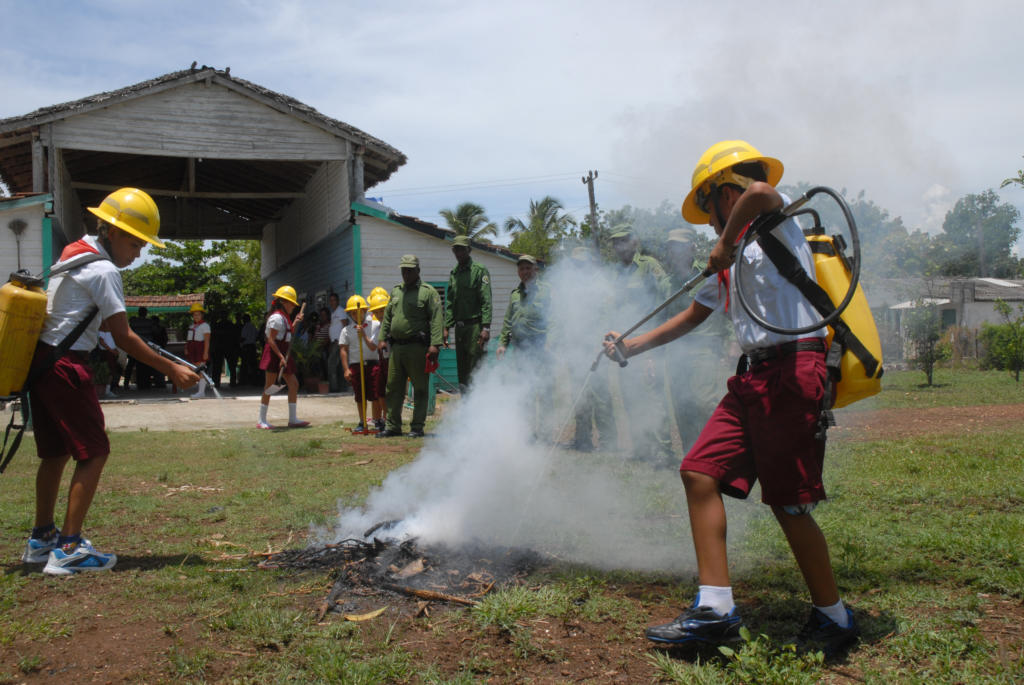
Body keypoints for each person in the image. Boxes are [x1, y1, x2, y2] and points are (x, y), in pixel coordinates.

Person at [604, 140, 859, 657]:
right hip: (751, 378)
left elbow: (762, 192)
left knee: (788, 504)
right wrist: (631, 346)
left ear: (725, 193)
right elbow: (692, 317)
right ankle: (716, 611)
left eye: (710, 209)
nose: (708, 226)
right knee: (699, 472)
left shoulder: (775, 227)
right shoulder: (732, 258)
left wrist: (726, 242)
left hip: (793, 370)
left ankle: (834, 618)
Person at [21, 187, 200, 575]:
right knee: (94, 452)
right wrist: (172, 368)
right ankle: (68, 548)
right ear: (113, 232)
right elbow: (124, 336)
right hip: (68, 366)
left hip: (42, 364)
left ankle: (41, 539)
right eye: (136, 243)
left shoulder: (74, 252)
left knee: (55, 454)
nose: (138, 253)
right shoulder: (104, 270)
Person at [662, 227, 733, 452]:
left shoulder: (710, 273)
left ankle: (716, 454)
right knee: (681, 405)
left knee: (704, 402)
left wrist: (732, 339)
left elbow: (727, 306)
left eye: (681, 247)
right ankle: (690, 457)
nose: (676, 252)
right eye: (672, 247)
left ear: (692, 248)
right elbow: (663, 320)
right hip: (676, 350)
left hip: (705, 348)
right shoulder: (667, 282)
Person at [609, 226, 674, 463]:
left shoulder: (648, 265)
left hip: (647, 342)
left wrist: (656, 341)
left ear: (633, 242)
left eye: (623, 241)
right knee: (630, 395)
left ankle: (664, 452)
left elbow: (665, 301)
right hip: (624, 343)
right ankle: (641, 448)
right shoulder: (615, 272)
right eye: (615, 242)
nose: (619, 246)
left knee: (652, 395)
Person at [377, 255, 443, 438]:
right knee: (393, 387)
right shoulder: (396, 292)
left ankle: (417, 427)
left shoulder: (428, 292)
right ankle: (393, 426)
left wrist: (435, 345)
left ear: (418, 270)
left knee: (420, 388)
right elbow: (388, 316)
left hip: (417, 348)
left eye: (410, 270)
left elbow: (437, 319)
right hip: (397, 348)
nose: (406, 274)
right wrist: (382, 338)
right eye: (403, 270)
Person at [496, 255, 552, 440]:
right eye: (521, 269)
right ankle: (527, 432)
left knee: (543, 390)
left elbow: (556, 318)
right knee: (523, 391)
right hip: (520, 349)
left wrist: (551, 341)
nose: (525, 272)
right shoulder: (515, 294)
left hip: (541, 347)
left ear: (536, 269)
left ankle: (544, 433)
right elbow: (508, 320)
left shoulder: (547, 291)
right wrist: (503, 343)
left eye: (528, 268)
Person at [443, 235, 492, 391]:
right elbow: (450, 303)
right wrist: (446, 327)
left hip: (475, 327)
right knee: (462, 370)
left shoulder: (479, 271)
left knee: (476, 369)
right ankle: (466, 408)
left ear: (469, 250)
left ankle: (480, 407)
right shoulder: (454, 274)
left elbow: (486, 300)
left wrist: (486, 328)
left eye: (462, 249)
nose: (459, 253)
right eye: (456, 249)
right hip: (460, 328)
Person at [257, 285, 310, 429]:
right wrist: (280, 357)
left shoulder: (284, 318)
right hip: (275, 353)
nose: (293, 306)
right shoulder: (276, 318)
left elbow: (287, 334)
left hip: (284, 352)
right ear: (284, 302)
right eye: (292, 303)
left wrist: (296, 322)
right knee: (269, 387)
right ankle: (261, 420)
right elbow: (271, 340)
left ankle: (293, 419)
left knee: (294, 384)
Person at [339, 295, 380, 431]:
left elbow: (374, 346)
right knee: (359, 395)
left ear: (365, 311)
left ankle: (377, 420)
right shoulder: (346, 330)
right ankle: (362, 421)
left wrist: (363, 333)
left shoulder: (374, 325)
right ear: (350, 314)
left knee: (375, 393)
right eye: (353, 313)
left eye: (359, 311)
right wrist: (346, 369)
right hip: (356, 365)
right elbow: (343, 350)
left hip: (373, 363)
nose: (356, 315)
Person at [367, 289, 391, 432]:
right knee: (380, 391)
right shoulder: (378, 326)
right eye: (376, 311)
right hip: (381, 361)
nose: (379, 314)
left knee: (391, 391)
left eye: (382, 311)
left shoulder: (393, 324)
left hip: (391, 361)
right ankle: (383, 419)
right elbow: (373, 345)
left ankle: (389, 419)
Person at [186, 302, 211, 399]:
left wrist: (205, 352)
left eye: (198, 314)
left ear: (202, 315)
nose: (196, 316)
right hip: (192, 349)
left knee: (201, 370)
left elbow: (207, 340)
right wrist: (186, 348)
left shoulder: (205, 326)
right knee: (193, 368)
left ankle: (201, 392)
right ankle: (199, 390)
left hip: (200, 349)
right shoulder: (192, 326)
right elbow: (188, 339)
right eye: (194, 314)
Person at [210, 313, 241, 388]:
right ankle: (228, 382)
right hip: (226, 348)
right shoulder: (229, 325)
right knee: (227, 366)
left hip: (224, 348)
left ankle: (218, 382)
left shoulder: (219, 325)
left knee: (221, 366)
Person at [326, 293, 348, 392]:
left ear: (338, 301)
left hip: (339, 341)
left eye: (334, 300)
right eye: (330, 300)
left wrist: (342, 340)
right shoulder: (333, 312)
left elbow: (344, 325)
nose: (332, 302)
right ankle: (340, 387)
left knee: (331, 364)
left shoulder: (340, 311)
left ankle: (334, 388)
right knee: (338, 365)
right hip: (334, 341)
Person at [239, 313, 258, 385]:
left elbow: (243, 337)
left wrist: (239, 343)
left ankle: (243, 381)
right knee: (253, 365)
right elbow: (257, 335)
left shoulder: (246, 327)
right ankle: (254, 381)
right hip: (252, 346)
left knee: (244, 364)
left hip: (246, 347)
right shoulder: (253, 327)